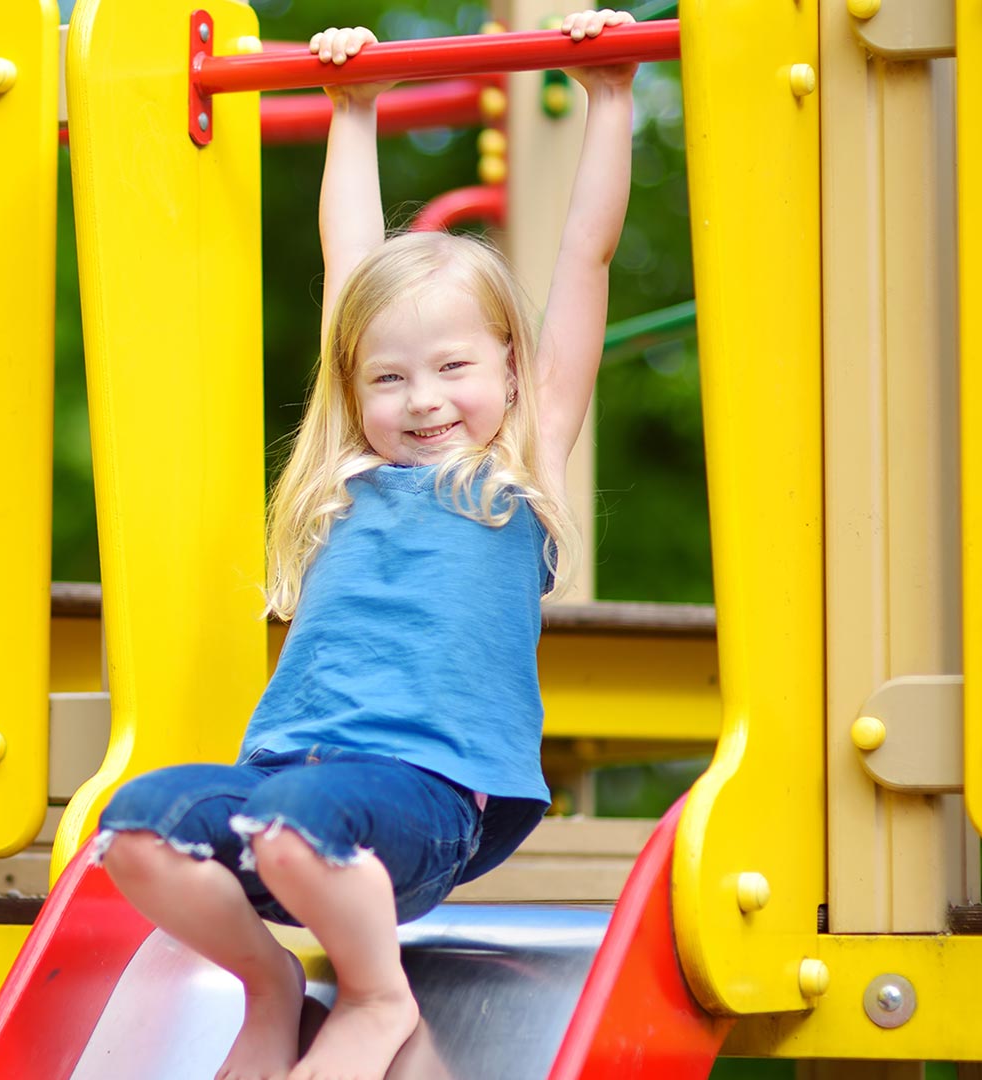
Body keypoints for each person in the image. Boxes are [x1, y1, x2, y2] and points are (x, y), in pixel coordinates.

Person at [92, 10, 640, 1080]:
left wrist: (611, 100)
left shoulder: (514, 474)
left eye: (452, 369)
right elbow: (353, 272)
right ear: (356, 390)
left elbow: (586, 256)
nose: (422, 398)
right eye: (389, 378)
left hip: (428, 804)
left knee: (299, 821)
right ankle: (269, 982)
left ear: (515, 372)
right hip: (297, 787)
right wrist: (352, 109)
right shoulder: (348, 477)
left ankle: (377, 999)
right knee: (137, 827)